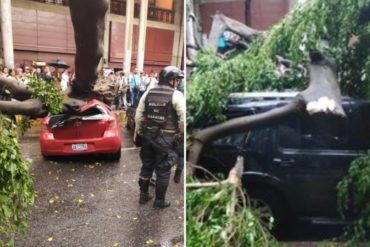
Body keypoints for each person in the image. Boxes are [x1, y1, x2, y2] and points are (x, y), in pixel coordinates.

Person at [134, 65, 185, 208]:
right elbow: (183, 119)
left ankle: (143, 196)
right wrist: (181, 134)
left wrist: (139, 133)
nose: (178, 82)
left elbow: (139, 116)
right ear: (170, 80)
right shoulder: (176, 95)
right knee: (163, 170)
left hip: (148, 137)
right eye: (176, 79)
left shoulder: (148, 93)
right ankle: (159, 201)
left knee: (146, 166)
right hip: (166, 139)